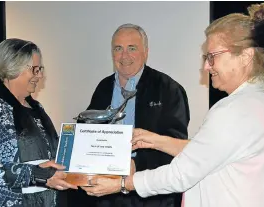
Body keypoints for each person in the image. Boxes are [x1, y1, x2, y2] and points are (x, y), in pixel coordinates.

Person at [82, 3, 264, 207]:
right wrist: (157, 141)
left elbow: (180, 174)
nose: (206, 66)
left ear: (246, 56)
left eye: (212, 57)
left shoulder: (234, 110)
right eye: (118, 48)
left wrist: (122, 183)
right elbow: (208, 152)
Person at [72, 23, 190, 207]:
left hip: (151, 195)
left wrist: (137, 164)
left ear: (145, 52)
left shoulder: (168, 89)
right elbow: (88, 130)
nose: (124, 55)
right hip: (106, 194)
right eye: (118, 48)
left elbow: (175, 144)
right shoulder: (103, 88)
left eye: (132, 48)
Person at [0, 38, 77, 206]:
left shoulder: (37, 108)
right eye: (35, 69)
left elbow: (50, 158)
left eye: (40, 69)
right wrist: (33, 173)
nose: (40, 75)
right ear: (14, 67)